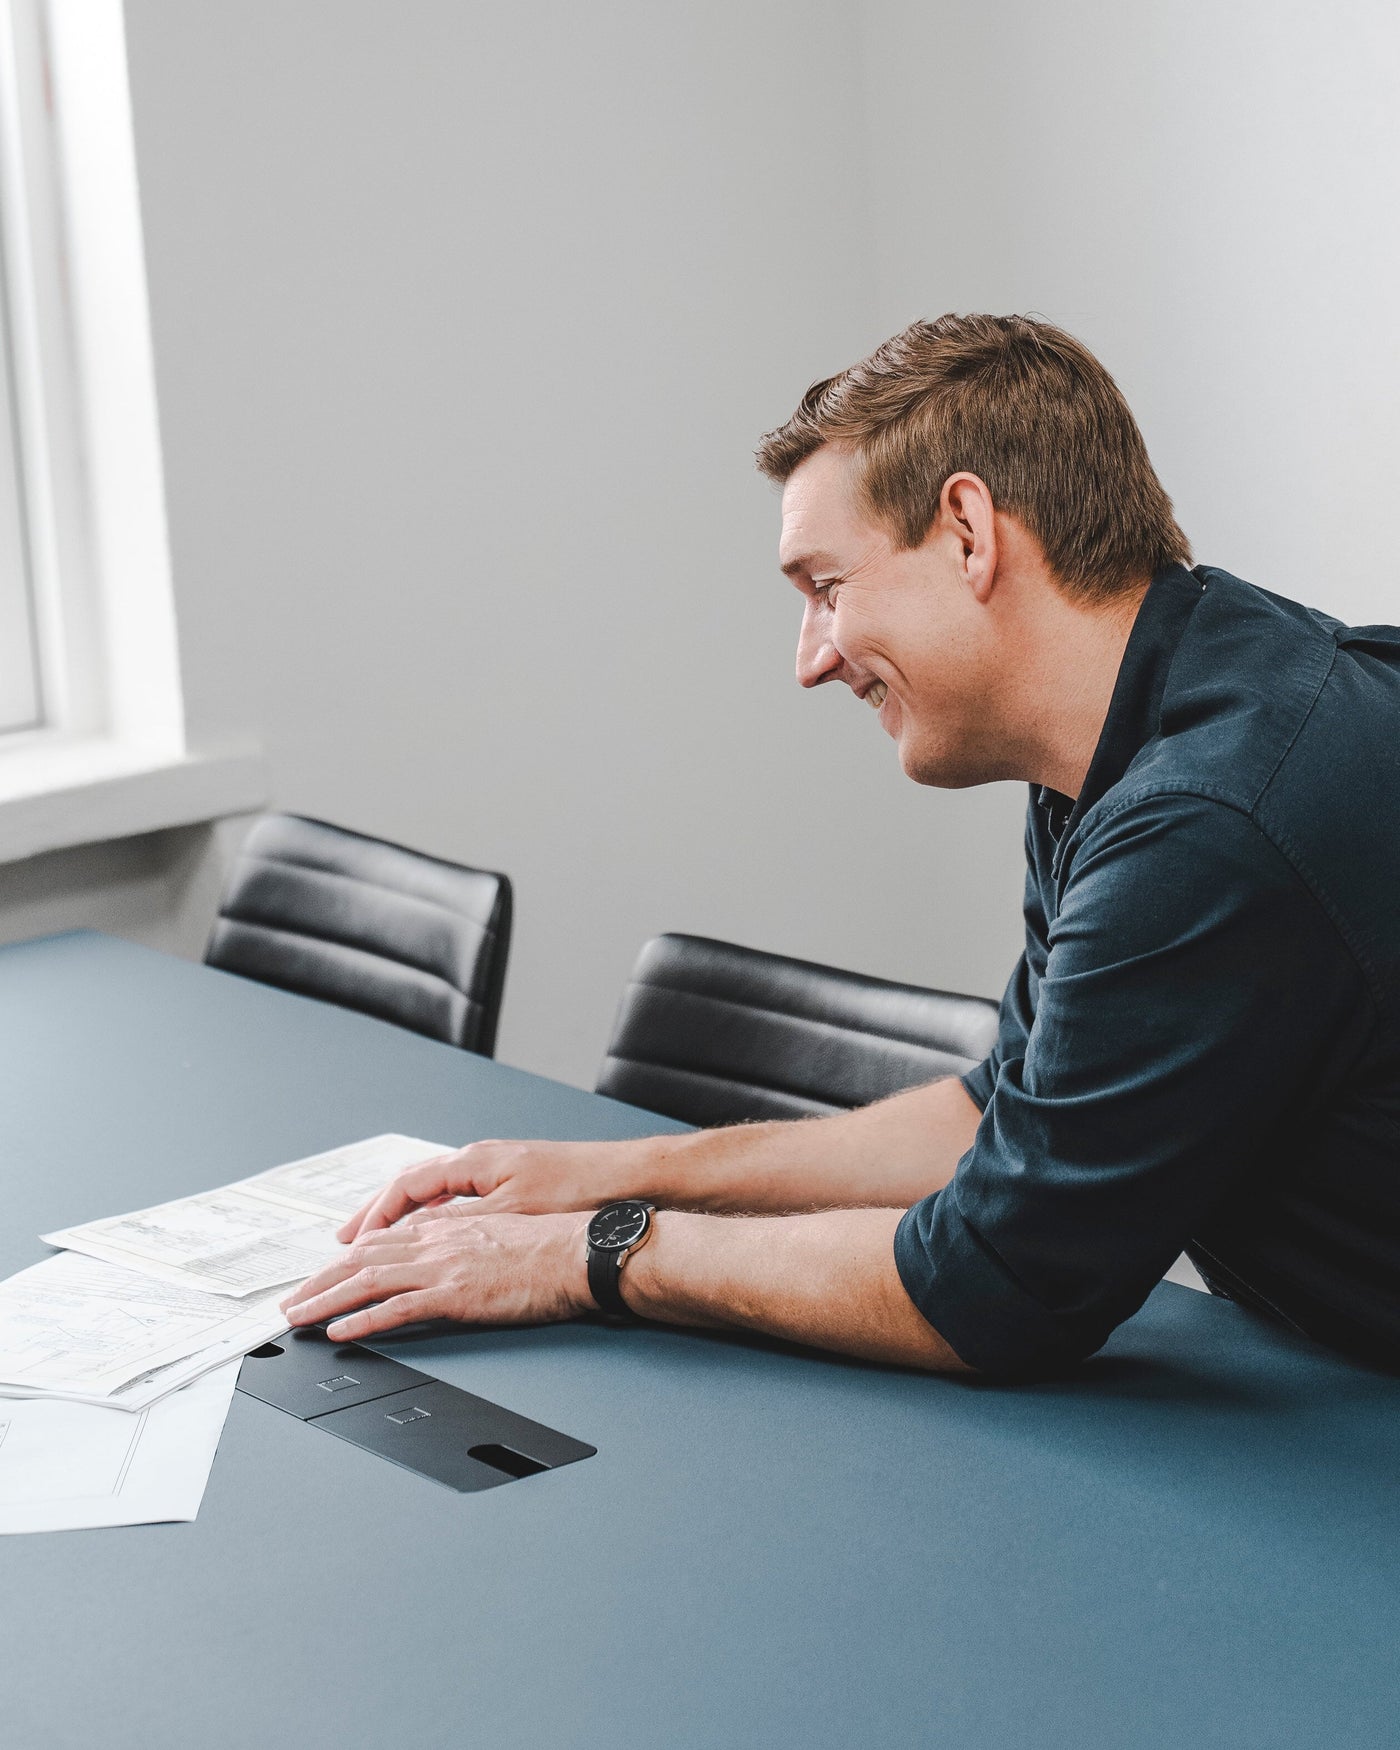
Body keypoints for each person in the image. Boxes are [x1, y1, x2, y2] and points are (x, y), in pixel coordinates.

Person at [282, 314, 1400, 1377]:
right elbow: (991, 1113)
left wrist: (593, 1252)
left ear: (968, 532)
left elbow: (986, 1288)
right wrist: (604, 1173)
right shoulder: (1150, 710)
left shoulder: (1206, 820)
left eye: (826, 587)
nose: (811, 658)